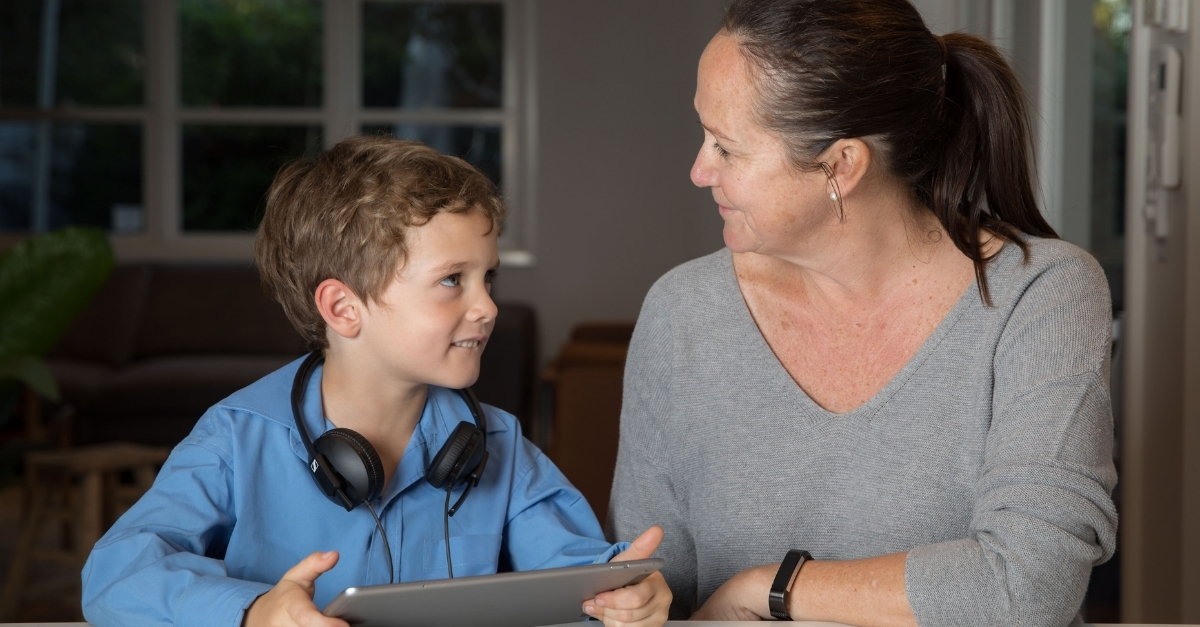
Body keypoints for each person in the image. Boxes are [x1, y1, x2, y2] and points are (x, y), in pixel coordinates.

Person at [607, 1, 1117, 626]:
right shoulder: (680, 314)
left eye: (728, 148)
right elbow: (658, 583)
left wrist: (766, 589)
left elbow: (1029, 584)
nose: (698, 169)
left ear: (841, 166)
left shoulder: (1043, 294)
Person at [82, 136, 670, 627]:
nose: (487, 307)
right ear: (343, 308)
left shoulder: (499, 445)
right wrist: (254, 610)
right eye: (452, 280)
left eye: (488, 278)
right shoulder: (236, 439)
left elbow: (576, 572)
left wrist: (625, 595)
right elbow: (115, 575)